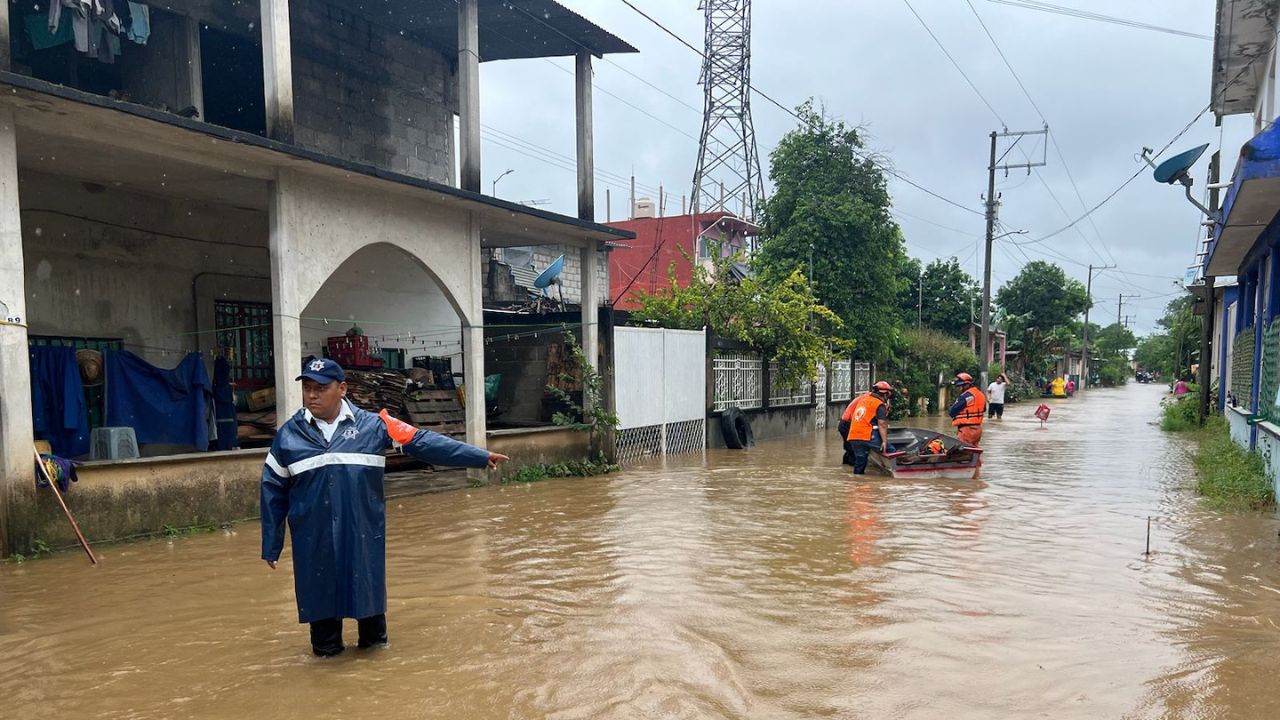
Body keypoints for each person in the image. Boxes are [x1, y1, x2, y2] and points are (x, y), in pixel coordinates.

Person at [261, 358, 509, 657]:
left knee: (374, 639)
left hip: (362, 537)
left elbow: (423, 442)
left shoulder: (376, 426)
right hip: (314, 544)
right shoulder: (289, 436)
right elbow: (273, 491)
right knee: (324, 642)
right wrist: (271, 545)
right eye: (308, 389)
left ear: (342, 389)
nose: (312, 395)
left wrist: (479, 456)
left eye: (321, 388)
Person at [844, 381, 895, 475]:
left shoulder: (864, 400)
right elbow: (882, 424)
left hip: (853, 436)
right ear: (885, 394)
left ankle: (857, 479)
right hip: (867, 436)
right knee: (891, 450)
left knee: (860, 461)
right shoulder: (879, 404)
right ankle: (898, 469)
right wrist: (884, 441)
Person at [948, 372, 986, 446]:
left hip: (966, 430)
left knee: (962, 453)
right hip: (977, 429)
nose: (958, 389)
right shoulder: (981, 395)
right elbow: (983, 409)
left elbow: (952, 412)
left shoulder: (965, 396)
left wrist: (950, 407)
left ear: (966, 385)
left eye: (959, 386)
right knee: (973, 452)